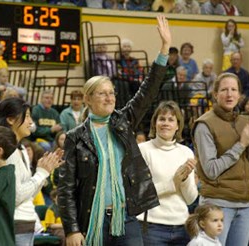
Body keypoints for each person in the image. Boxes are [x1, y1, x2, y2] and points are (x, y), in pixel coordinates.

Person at [58, 15, 171, 246]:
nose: (109, 97)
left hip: (126, 218)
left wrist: (165, 48)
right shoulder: (75, 137)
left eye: (111, 92)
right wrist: (71, 230)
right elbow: (66, 188)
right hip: (91, 220)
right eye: (102, 93)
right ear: (88, 99)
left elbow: (148, 91)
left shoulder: (124, 121)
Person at [192, 72, 249, 246]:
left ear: (240, 95)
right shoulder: (204, 125)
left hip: (245, 203)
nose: (229, 94)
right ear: (215, 94)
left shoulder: (244, 122)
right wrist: (241, 144)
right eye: (224, 89)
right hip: (217, 204)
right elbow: (211, 170)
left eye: (234, 89)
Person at [0, 97, 64, 246]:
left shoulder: (21, 149)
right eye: (27, 116)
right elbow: (15, 197)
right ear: (11, 119)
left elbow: (28, 192)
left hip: (26, 223)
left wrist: (45, 171)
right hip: (12, 224)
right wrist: (41, 173)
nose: (31, 122)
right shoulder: (5, 152)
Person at [137, 101, 198, 245]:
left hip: (182, 227)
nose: (166, 123)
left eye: (171, 120)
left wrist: (184, 180)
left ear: (177, 126)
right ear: (154, 123)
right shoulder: (143, 150)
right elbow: (139, 195)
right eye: (162, 119)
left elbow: (190, 199)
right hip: (152, 227)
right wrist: (172, 183)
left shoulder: (186, 152)